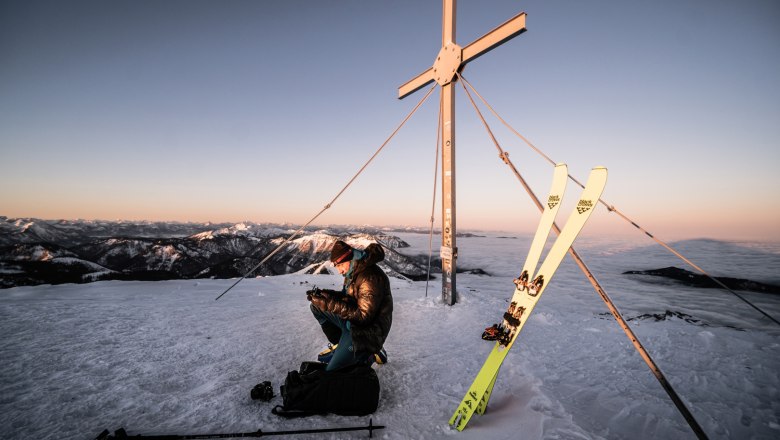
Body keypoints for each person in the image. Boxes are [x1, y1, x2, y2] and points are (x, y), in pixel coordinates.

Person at [307, 240, 393, 371]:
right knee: (316, 307)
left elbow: (363, 317)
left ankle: (367, 353)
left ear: (349, 259)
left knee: (331, 371)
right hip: (353, 323)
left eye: (340, 265)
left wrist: (329, 304)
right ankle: (342, 344)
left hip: (367, 331)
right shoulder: (354, 271)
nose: (339, 271)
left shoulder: (369, 278)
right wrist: (325, 295)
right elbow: (347, 297)